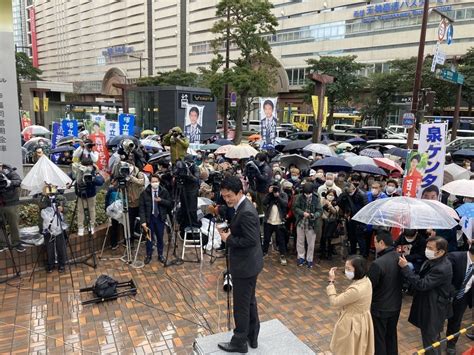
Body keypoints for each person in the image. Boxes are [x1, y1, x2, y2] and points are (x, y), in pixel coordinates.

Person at [217, 176, 263, 353]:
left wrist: (229, 238)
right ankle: (252, 335)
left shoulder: (246, 212)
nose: (227, 200)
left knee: (241, 306)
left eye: (229, 196)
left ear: (240, 192)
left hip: (245, 266)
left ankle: (239, 341)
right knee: (249, 301)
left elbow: (250, 240)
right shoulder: (241, 207)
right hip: (250, 264)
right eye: (224, 196)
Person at [398, 237, 454, 355]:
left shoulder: (442, 268)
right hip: (429, 304)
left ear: (441, 252)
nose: (426, 250)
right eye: (426, 247)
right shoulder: (434, 260)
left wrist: (406, 268)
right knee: (431, 337)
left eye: (430, 248)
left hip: (434, 308)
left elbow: (422, 284)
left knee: (431, 341)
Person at [327, 256, 374, 355]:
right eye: (345, 268)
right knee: (358, 349)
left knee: (346, 349)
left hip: (351, 323)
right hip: (363, 320)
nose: (346, 271)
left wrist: (331, 282)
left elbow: (334, 302)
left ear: (358, 270)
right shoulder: (367, 281)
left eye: (349, 269)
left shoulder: (356, 290)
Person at [368, 230, 403, 355]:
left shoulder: (377, 264)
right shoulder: (399, 258)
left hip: (380, 308)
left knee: (379, 339)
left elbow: (369, 286)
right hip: (396, 305)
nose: (374, 245)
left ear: (382, 242)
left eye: (375, 242)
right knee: (391, 335)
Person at [445, 241, 473, 354]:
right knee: (438, 320)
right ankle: (433, 342)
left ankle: (451, 344)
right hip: (447, 295)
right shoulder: (454, 257)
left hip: (464, 297)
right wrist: (452, 292)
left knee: (456, 321)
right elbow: (445, 278)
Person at [139, 174, 172, 265]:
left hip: (160, 218)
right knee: (149, 238)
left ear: (159, 182)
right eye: (153, 181)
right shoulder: (145, 193)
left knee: (160, 237)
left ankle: (160, 254)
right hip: (149, 218)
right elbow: (141, 208)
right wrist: (143, 221)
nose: (154, 183)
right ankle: (148, 255)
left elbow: (170, 203)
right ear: (150, 182)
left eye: (156, 181)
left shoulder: (164, 191)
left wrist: (161, 201)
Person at [293, 182, 323, 268]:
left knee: (311, 243)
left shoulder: (316, 198)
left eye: (309, 193)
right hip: (301, 222)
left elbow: (320, 211)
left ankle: (310, 259)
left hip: (311, 224)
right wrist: (303, 213)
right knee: (300, 242)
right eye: (305, 193)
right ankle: (301, 258)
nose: (307, 195)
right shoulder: (299, 197)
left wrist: (314, 215)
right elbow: (295, 208)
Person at [38, 187, 68, 273]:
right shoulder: (43, 198)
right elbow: (41, 206)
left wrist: (62, 209)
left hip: (58, 225)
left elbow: (66, 209)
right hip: (48, 226)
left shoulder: (61, 197)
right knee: (49, 247)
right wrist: (44, 195)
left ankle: (61, 264)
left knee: (60, 246)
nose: (50, 189)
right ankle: (50, 264)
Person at [0, 163, 26, 253]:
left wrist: (9, 183)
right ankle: (2, 243)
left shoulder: (9, 171)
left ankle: (16, 243)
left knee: (14, 224)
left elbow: (18, 181)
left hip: (11, 202)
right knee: (0, 225)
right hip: (1, 203)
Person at [262, 181, 288, 265]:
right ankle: (264, 253)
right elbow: (264, 202)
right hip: (269, 221)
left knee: (281, 240)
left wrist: (278, 196)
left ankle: (282, 255)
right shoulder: (269, 195)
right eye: (273, 188)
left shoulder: (283, 195)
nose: (275, 190)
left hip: (279, 222)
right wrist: (269, 194)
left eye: (276, 188)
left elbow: (285, 204)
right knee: (266, 239)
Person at [338, 183, 368, 257]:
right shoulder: (346, 194)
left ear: (354, 189)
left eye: (350, 192)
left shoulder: (362, 194)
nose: (349, 194)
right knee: (351, 237)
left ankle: (363, 255)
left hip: (360, 219)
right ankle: (352, 252)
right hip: (350, 218)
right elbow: (340, 203)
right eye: (348, 192)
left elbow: (366, 207)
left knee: (360, 238)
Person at [320, 189, 339, 260]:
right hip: (323, 222)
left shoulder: (336, 203)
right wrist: (324, 217)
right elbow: (320, 210)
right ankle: (322, 253)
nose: (330, 196)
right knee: (323, 238)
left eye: (332, 195)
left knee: (330, 238)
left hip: (332, 222)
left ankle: (330, 253)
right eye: (329, 194)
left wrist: (330, 205)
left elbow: (335, 212)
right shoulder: (322, 201)